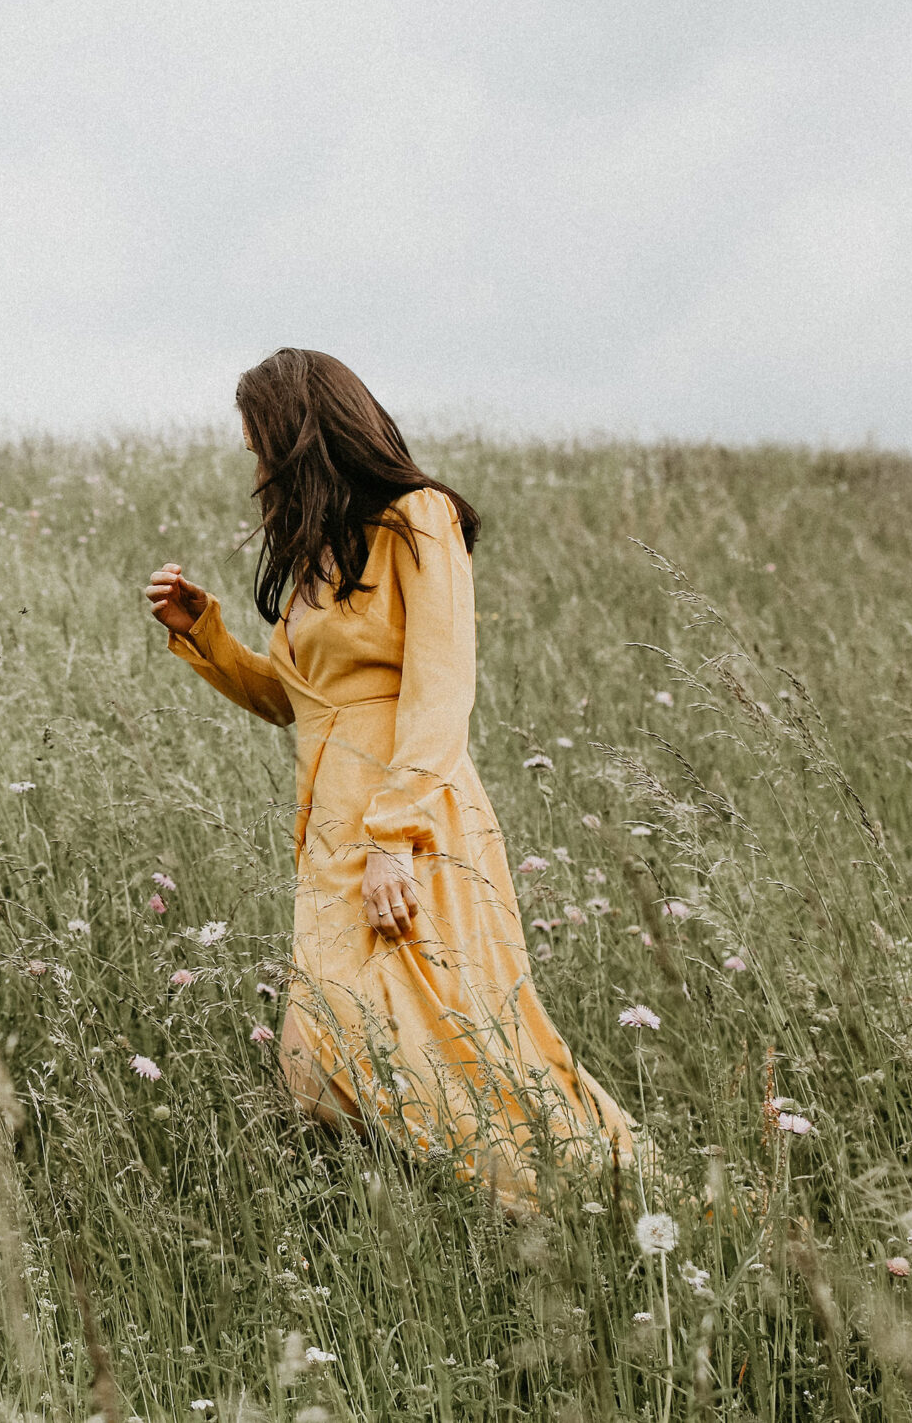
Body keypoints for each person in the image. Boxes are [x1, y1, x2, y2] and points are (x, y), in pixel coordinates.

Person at [146, 348, 637, 1213]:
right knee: (324, 1058)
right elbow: (297, 703)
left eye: (264, 443)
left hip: (404, 827)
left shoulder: (419, 520)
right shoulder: (316, 561)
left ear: (305, 435)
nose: (257, 467)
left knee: (440, 1041)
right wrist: (208, 635)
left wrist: (394, 840)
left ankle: (566, 1198)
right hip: (329, 832)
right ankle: (426, 1219)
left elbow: (442, 688)